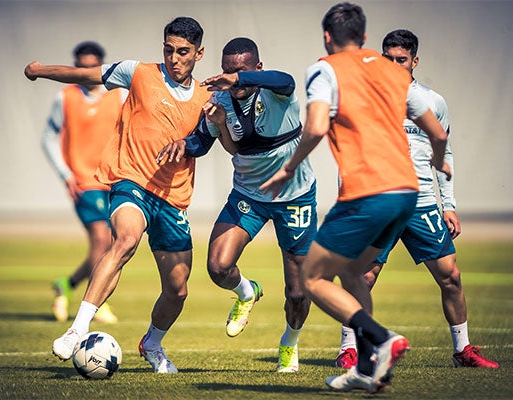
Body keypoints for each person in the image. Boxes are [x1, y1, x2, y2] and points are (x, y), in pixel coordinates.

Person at [260, 2, 452, 393]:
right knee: (352, 274)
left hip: (367, 191)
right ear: (365, 37)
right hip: (408, 193)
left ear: (327, 37)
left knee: (311, 277)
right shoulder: (392, 72)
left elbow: (314, 127)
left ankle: (381, 338)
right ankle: (368, 367)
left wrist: (288, 167)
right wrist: (437, 161)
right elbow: (438, 133)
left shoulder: (324, 68)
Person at [25, 16, 211, 373]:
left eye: (183, 52)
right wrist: (40, 70)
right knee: (124, 239)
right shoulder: (137, 72)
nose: (174, 59)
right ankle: (77, 329)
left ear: (199, 54)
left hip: (173, 197)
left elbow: (211, 140)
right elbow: (84, 76)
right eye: (168, 50)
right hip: (130, 181)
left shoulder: (207, 97)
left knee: (178, 290)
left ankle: (152, 344)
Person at [334, 29, 498, 370]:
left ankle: (462, 350)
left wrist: (448, 204)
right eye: (389, 59)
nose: (394, 65)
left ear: (414, 61)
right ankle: (349, 349)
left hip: (422, 203)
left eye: (402, 60)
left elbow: (444, 151)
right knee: (362, 277)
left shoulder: (432, 101)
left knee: (450, 276)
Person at [157, 37, 317, 373]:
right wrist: (182, 145)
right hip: (249, 196)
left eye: (240, 72)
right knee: (217, 267)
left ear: (257, 69)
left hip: (294, 198)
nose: (231, 79)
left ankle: (289, 342)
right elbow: (201, 141)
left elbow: (285, 79)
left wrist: (240, 80)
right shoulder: (220, 102)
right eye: (227, 71)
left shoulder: (278, 93)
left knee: (298, 292)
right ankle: (248, 291)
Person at [41, 41, 125, 325]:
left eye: (92, 66)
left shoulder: (119, 95)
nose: (86, 71)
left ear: (100, 66)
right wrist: (66, 174)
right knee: (102, 240)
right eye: (82, 66)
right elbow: (49, 138)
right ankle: (98, 302)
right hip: (84, 181)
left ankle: (67, 284)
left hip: (113, 179)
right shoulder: (65, 97)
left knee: (114, 243)